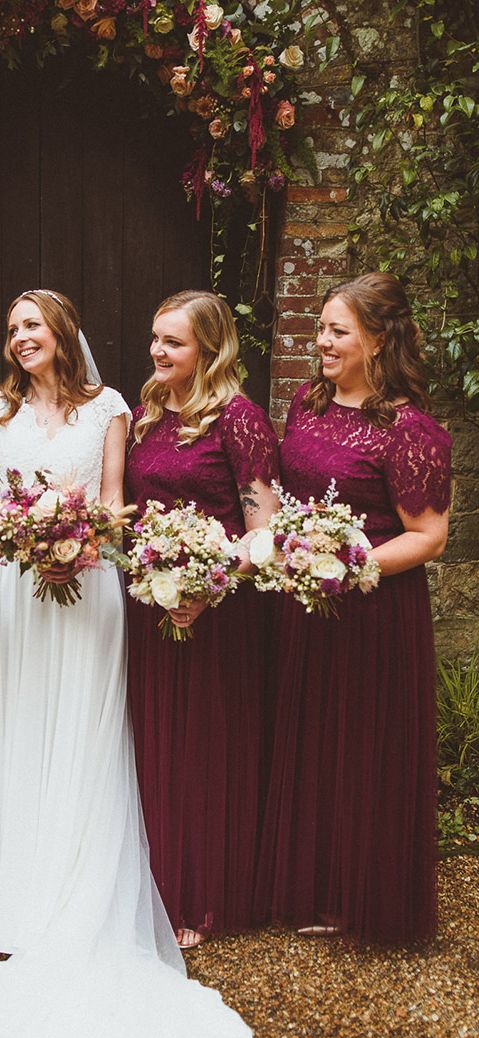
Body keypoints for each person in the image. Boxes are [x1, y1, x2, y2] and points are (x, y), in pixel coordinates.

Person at [0, 289, 268, 1038]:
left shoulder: (114, 409)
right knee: (17, 726)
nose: (19, 337)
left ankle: (76, 879)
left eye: (32, 324)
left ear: (63, 332)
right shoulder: (2, 409)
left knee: (84, 730)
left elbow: (115, 506)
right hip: (16, 593)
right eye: (11, 330)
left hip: (88, 591)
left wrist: (76, 538)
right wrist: (23, 535)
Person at [254, 272, 451, 943]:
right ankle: (314, 889)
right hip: (307, 609)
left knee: (365, 749)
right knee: (311, 739)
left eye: (339, 330)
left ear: (378, 340)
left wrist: (349, 561)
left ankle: (364, 897)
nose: (323, 342)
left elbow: (429, 535)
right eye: (322, 329)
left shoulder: (408, 430)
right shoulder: (306, 407)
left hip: (374, 616)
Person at [125, 290, 279, 948]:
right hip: (150, 608)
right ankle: (154, 890)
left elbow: (265, 531)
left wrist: (207, 586)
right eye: (156, 338)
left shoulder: (239, 421)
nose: (158, 351)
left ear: (208, 351)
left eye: (175, 342)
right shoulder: (146, 414)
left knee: (206, 752)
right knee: (156, 746)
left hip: (218, 615)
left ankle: (205, 895)